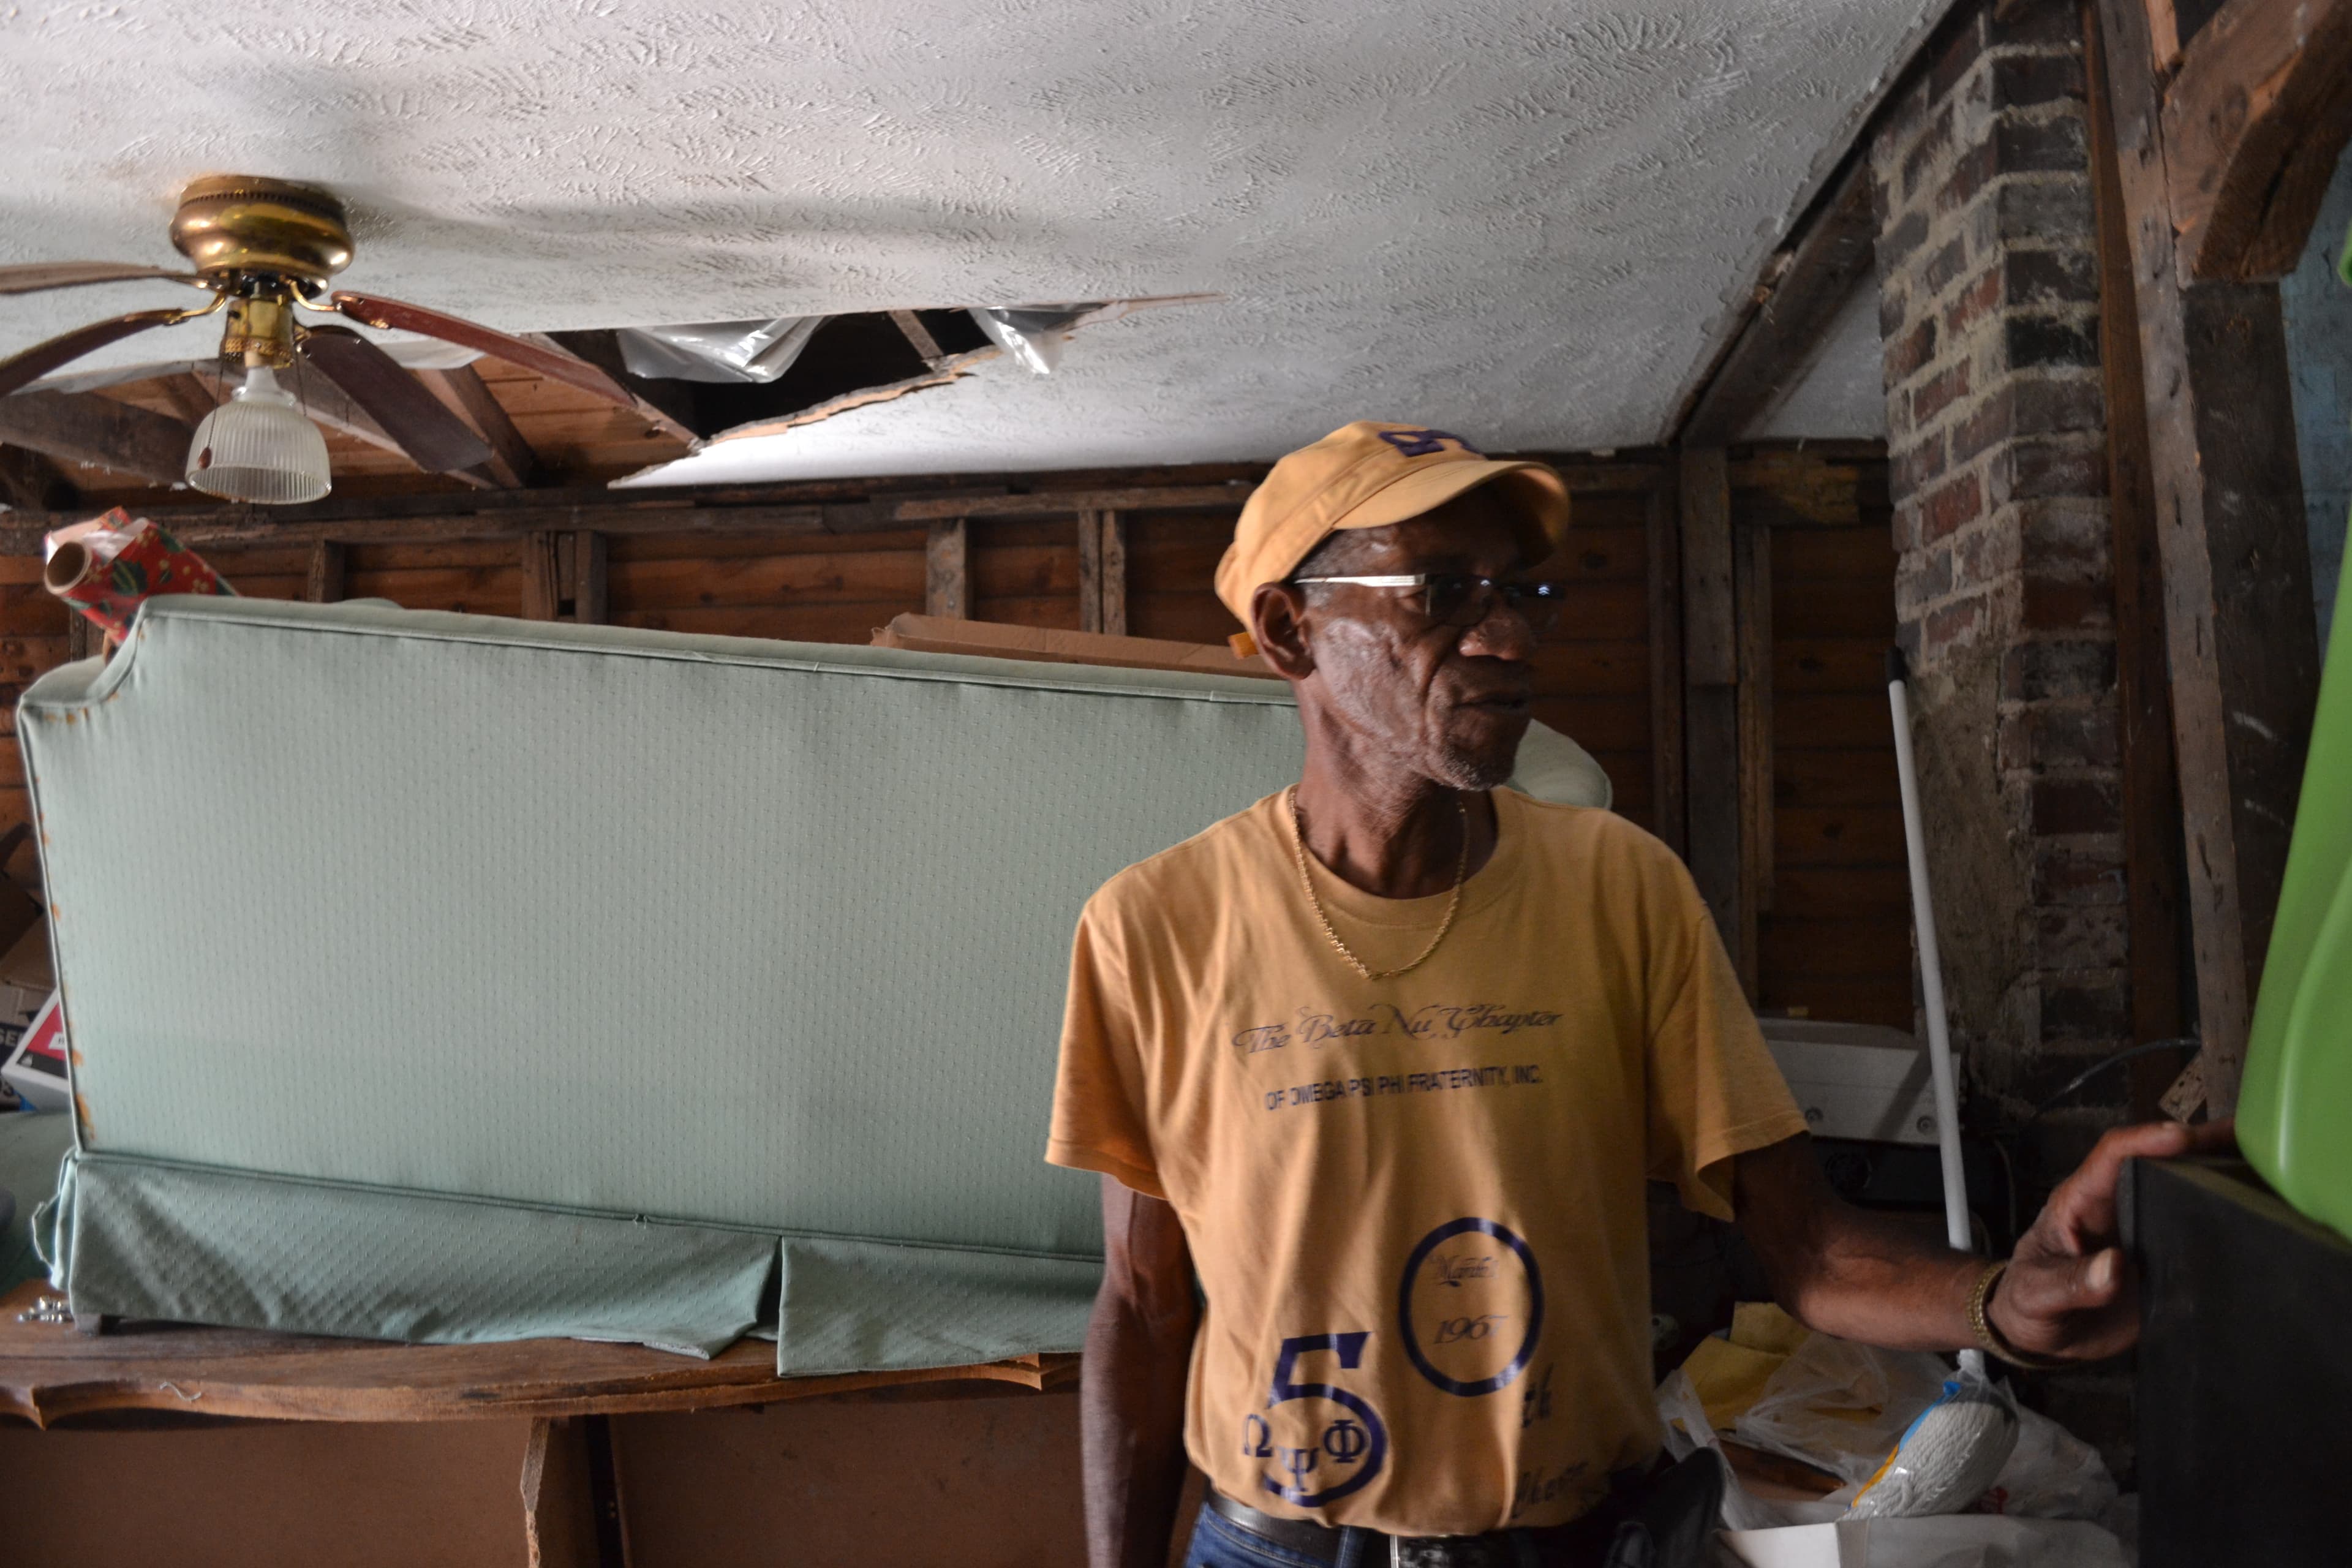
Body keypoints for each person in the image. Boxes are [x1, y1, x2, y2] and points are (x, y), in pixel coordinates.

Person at [1045, 422, 2231, 1568]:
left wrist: (2003, 1302)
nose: (1507, 635)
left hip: (1572, 1542)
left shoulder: (1620, 888)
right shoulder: (1155, 929)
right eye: (1444, 590)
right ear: (1288, 629)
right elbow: (1144, 1309)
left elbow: (1808, 1248)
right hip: (1278, 1548)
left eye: (1523, 593)